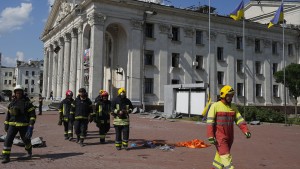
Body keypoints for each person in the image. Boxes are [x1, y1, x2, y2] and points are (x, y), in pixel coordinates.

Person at [206, 85, 251, 169]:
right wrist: (210, 136)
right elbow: (210, 122)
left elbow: (239, 120)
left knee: (220, 156)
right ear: (223, 95)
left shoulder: (233, 107)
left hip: (230, 137)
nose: (231, 97)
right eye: (229, 95)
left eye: (232, 95)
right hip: (220, 137)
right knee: (226, 156)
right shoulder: (215, 106)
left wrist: (246, 131)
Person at [2, 85, 36, 164]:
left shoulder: (27, 103)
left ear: (22, 93)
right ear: (15, 93)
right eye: (17, 93)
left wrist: (30, 126)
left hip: (23, 125)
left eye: (20, 93)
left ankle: (29, 152)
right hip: (12, 125)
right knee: (8, 140)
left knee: (26, 140)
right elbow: (8, 115)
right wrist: (6, 124)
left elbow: (32, 116)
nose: (18, 94)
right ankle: (6, 157)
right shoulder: (12, 103)